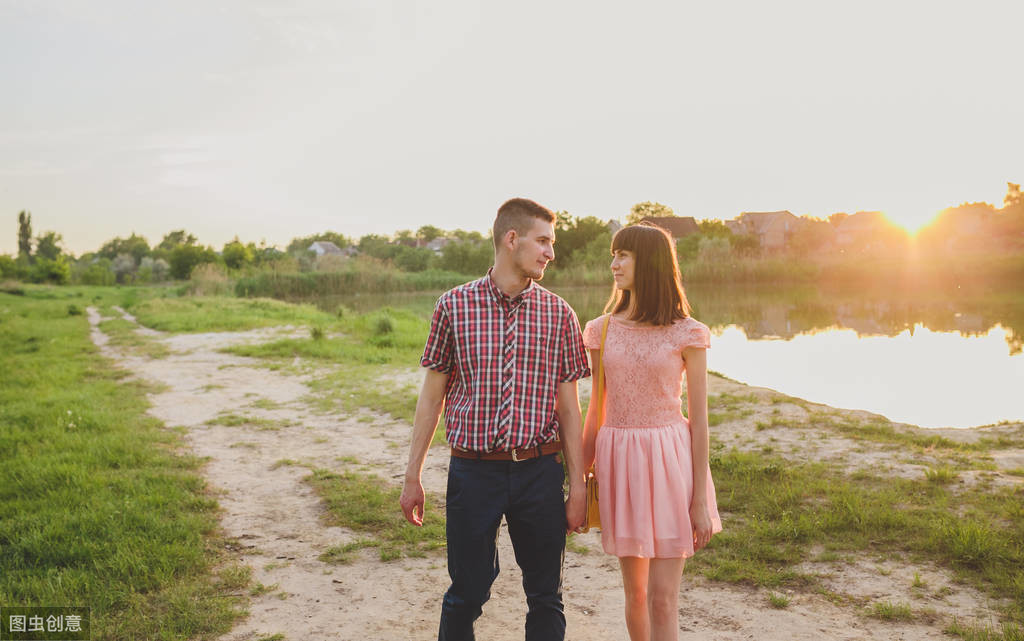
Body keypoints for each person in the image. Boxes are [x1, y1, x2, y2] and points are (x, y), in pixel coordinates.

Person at [399, 197, 591, 641]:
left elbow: (568, 409)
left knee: (546, 595)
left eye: (552, 242)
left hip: (540, 472)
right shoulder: (453, 306)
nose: (551, 252)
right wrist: (413, 476)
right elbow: (431, 400)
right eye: (543, 241)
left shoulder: (560, 314)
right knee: (466, 591)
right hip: (474, 472)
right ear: (512, 239)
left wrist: (578, 486)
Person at [580, 223, 722, 641]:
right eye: (613, 254)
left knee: (663, 599)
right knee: (636, 595)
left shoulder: (688, 332)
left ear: (652, 262)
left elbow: (700, 421)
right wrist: (577, 482)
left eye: (623, 255)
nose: (614, 264)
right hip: (619, 461)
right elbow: (595, 411)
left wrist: (699, 499)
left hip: (669, 462)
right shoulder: (600, 329)